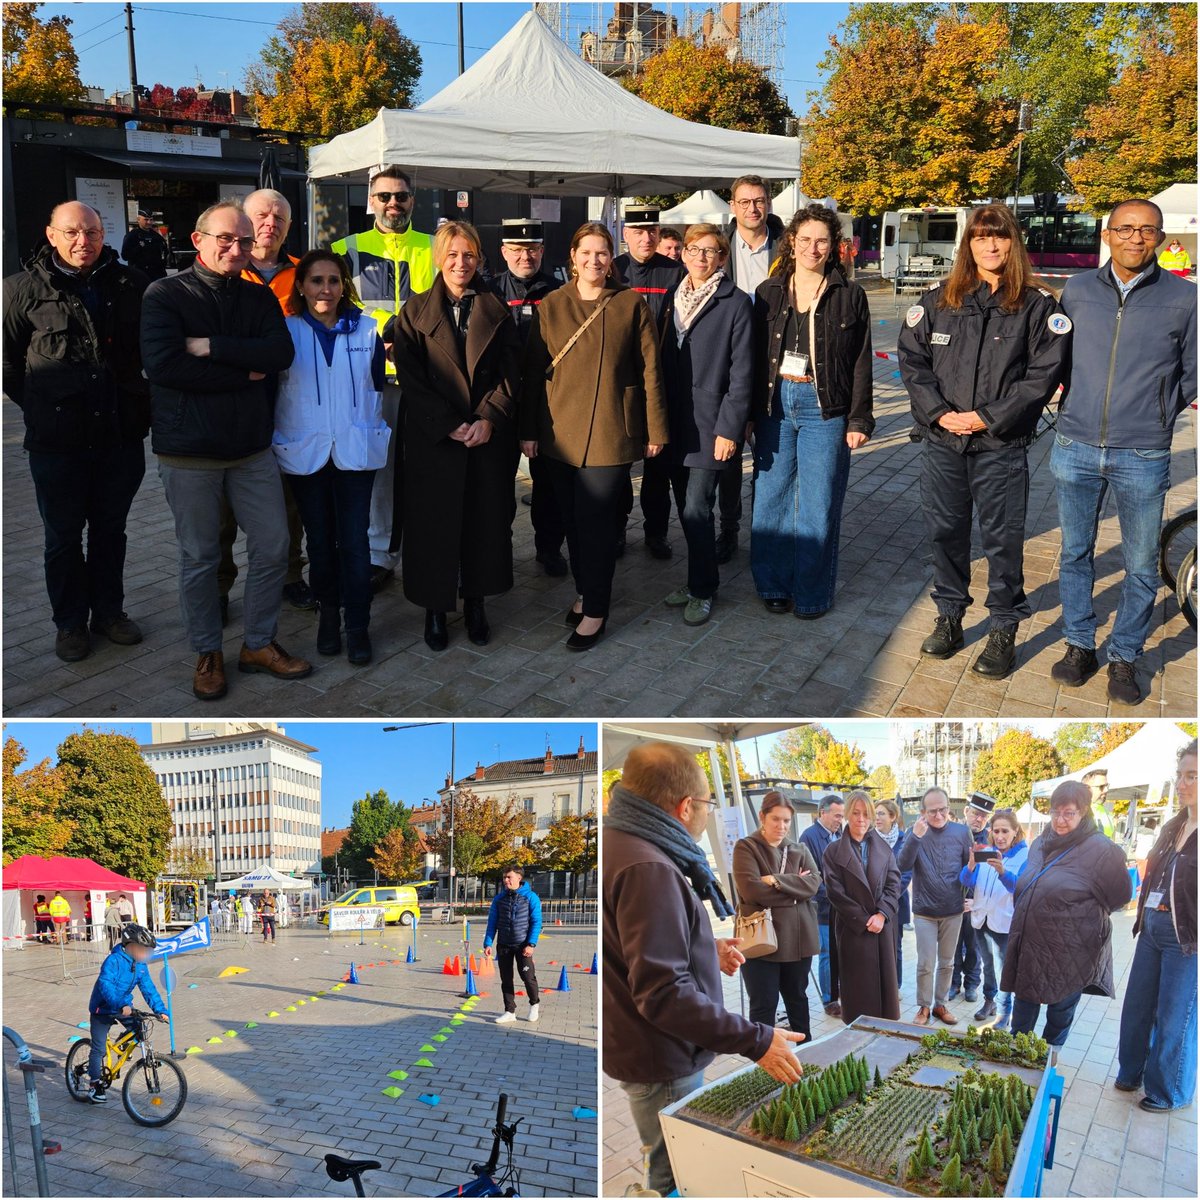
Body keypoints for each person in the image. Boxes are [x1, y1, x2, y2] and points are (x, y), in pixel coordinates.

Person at [603, 742, 805, 1196]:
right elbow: (662, 994)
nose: (708, 814)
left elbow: (632, 944)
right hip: (662, 1057)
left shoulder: (624, 843)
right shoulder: (648, 866)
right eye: (708, 804)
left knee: (667, 1162)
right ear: (685, 806)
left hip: (647, 1049)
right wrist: (757, 1040)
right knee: (673, 1174)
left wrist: (703, 948)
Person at [141, 200, 310, 702]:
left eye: (244, 241)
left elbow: (280, 354)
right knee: (200, 556)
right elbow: (165, 367)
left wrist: (212, 346)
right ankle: (207, 651)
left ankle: (258, 643)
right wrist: (244, 371)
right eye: (225, 239)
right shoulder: (165, 294)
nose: (236, 248)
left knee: (273, 546)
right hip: (189, 451)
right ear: (198, 240)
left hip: (251, 449)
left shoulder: (257, 297)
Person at [899, 203, 1069, 678]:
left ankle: (1003, 628)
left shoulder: (1036, 305)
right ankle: (950, 616)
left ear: (1013, 243)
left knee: (1003, 540)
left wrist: (986, 418)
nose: (990, 245)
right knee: (946, 533)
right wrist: (940, 414)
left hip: (1000, 444)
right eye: (980, 236)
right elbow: (912, 361)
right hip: (943, 442)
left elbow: (1041, 377)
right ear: (967, 244)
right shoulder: (939, 300)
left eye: (999, 236)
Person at [1051, 198, 1197, 704]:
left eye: (1147, 230)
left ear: (1160, 237)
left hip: (1143, 452)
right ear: (1108, 234)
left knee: (1139, 563)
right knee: (1075, 553)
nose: (1136, 237)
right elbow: (1057, 356)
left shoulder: (1185, 297)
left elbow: (1192, 371)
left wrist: (1158, 412)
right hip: (1075, 444)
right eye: (1126, 228)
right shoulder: (1077, 290)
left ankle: (1125, 655)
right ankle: (1079, 645)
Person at [3, 201, 151, 663]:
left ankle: (109, 612)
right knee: (63, 537)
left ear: (104, 234)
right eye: (72, 232)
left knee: (111, 531)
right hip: (57, 444)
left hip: (119, 437)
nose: (83, 241)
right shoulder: (20, 290)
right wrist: (44, 407)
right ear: (51, 235)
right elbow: (8, 366)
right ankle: (69, 623)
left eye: (92, 232)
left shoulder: (131, 284)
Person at [520, 222, 668, 651]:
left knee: (598, 526)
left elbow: (651, 370)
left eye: (602, 252)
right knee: (571, 522)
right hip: (559, 432)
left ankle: (597, 610)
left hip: (610, 429)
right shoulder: (552, 304)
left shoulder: (630, 303)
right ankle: (586, 593)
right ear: (573, 256)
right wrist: (528, 430)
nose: (594, 260)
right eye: (586, 252)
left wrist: (655, 428)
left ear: (611, 257)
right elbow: (533, 371)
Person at [391, 221, 521, 652]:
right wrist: (446, 421)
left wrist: (489, 417)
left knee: (482, 524)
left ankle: (476, 603)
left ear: (479, 258)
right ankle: (435, 608)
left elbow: (510, 371)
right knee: (434, 525)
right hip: (435, 439)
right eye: (452, 254)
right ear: (438, 259)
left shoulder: (496, 308)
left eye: (468, 255)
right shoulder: (414, 311)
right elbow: (411, 378)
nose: (461, 263)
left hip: (484, 438)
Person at [750, 203, 874, 618]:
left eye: (821, 241)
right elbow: (753, 358)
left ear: (833, 245)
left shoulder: (849, 295)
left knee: (818, 503)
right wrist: (748, 414)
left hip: (825, 407)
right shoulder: (767, 292)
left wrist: (859, 418)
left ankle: (812, 593)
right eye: (805, 239)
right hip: (774, 404)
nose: (812, 248)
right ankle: (773, 584)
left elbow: (861, 361)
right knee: (772, 499)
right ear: (792, 242)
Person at [274, 250, 388, 666]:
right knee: (320, 543)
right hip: (306, 454)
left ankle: (357, 624)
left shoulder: (368, 331)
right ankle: (327, 614)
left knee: (355, 543)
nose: (326, 289)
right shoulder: (285, 332)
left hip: (355, 453)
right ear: (301, 287)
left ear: (344, 286)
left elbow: (378, 388)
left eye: (334, 280)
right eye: (317, 280)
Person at [332, 166, 435, 593]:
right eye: (385, 196)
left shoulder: (435, 246)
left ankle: (428, 550)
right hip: (372, 377)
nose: (394, 204)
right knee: (382, 471)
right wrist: (387, 326)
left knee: (428, 469)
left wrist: (406, 331)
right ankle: (380, 554)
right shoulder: (345, 248)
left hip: (428, 377)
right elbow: (337, 304)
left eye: (401, 196)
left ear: (413, 200)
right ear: (371, 201)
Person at [223, 188, 312, 621]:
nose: (269, 224)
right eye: (261, 215)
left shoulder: (304, 273)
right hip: (234, 402)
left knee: (289, 499)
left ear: (289, 227)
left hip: (291, 401)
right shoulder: (226, 269)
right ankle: (218, 586)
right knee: (222, 508)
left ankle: (291, 575)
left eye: (279, 218)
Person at [659, 224, 753, 627]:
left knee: (698, 507)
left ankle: (703, 588)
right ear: (683, 254)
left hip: (711, 426)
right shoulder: (671, 297)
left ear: (722, 258)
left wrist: (729, 430)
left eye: (710, 251)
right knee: (686, 508)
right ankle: (697, 578)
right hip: (675, 423)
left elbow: (743, 372)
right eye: (693, 249)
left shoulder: (736, 302)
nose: (700, 257)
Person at [1003, 781, 1132, 1054]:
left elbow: (1120, 896)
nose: (1060, 820)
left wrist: (1075, 915)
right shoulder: (1041, 842)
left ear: (1083, 812)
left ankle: (1050, 1060)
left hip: (1071, 948)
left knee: (1059, 1011)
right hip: (1031, 946)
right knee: (1023, 1011)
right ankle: (1015, 1059)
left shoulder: (1101, 849)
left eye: (1069, 813)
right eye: (1055, 812)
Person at [1117, 739, 1197, 1112]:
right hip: (1150, 927)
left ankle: (1169, 1091)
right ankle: (1131, 1072)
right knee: (1137, 1007)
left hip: (1186, 939)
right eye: (1180, 775)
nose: (1181, 783)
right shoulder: (1173, 825)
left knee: (1174, 1016)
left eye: (1192, 776)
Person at [491, 218, 567, 577]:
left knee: (548, 484)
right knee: (498, 483)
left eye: (533, 249)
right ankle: (499, 549)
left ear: (542, 251)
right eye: (518, 250)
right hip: (503, 400)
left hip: (545, 402)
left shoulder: (558, 291)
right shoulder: (490, 291)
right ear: (504, 252)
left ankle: (549, 549)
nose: (526, 256)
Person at [720, 175, 786, 565]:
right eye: (744, 202)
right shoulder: (719, 247)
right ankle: (729, 530)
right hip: (730, 366)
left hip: (774, 365)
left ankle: (767, 532)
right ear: (733, 206)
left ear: (768, 204)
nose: (752, 208)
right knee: (729, 457)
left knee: (771, 456)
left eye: (758, 201)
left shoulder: (787, 247)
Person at [612, 206, 685, 561]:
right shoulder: (614, 270)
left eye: (652, 231)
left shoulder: (675, 271)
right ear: (625, 234)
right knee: (620, 465)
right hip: (623, 384)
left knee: (659, 467)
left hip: (662, 383)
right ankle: (617, 531)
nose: (646, 237)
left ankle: (656, 532)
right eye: (638, 231)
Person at [731, 792, 820, 1040]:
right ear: (762, 817)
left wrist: (775, 881)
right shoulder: (746, 848)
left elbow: (814, 883)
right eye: (775, 819)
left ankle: (806, 1054)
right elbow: (751, 891)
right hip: (759, 942)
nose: (781, 826)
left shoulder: (798, 849)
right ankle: (763, 1059)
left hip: (797, 940)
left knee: (798, 1000)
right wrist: (795, 892)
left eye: (786, 820)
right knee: (763, 1005)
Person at [822, 790, 903, 1023]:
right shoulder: (833, 851)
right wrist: (864, 919)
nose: (861, 819)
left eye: (866, 814)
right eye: (855, 813)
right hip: (853, 930)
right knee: (858, 993)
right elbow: (835, 893)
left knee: (884, 998)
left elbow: (894, 884)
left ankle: (885, 1032)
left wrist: (882, 914)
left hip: (881, 929)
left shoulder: (884, 849)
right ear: (847, 814)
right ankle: (859, 1033)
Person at [896, 787, 973, 1025]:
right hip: (925, 912)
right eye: (932, 811)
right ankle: (923, 1007)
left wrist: (970, 897)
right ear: (923, 812)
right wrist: (915, 837)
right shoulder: (914, 831)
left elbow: (968, 867)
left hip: (953, 910)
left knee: (948, 962)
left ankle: (940, 1004)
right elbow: (902, 865)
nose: (938, 815)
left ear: (949, 808)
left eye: (943, 810)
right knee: (925, 964)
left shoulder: (962, 832)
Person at [959, 807, 1028, 1029]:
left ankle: (1005, 1011)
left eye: (1005, 831)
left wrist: (1002, 873)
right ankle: (989, 1001)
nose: (1000, 836)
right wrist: (970, 866)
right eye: (996, 831)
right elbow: (966, 881)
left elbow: (1020, 888)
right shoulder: (986, 851)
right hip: (982, 919)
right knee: (988, 966)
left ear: (1015, 831)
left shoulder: (1024, 856)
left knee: (1004, 970)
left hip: (1004, 922)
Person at [85, 923, 168, 1104]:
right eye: (143, 950)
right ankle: (94, 1085)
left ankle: (122, 1043)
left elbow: (149, 989)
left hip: (123, 1007)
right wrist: (121, 1004)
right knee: (99, 1049)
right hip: (102, 1009)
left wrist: (160, 1010)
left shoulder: (140, 965)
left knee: (140, 1027)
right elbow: (106, 985)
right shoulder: (113, 961)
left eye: (148, 951)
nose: (145, 955)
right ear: (130, 946)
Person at [799, 794, 844, 1017]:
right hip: (823, 908)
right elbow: (810, 879)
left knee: (841, 953)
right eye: (837, 816)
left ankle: (840, 991)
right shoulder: (808, 837)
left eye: (842, 816)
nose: (840, 820)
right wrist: (837, 895)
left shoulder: (840, 834)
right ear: (822, 813)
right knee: (827, 953)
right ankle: (829, 1000)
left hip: (842, 908)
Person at [483, 865, 543, 1024]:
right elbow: (492, 923)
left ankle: (534, 1004)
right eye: (504, 877)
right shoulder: (498, 899)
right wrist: (488, 943)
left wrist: (531, 944)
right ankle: (510, 1011)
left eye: (509, 877)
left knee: (528, 978)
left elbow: (536, 922)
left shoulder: (531, 897)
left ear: (519, 878)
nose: (506, 880)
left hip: (523, 945)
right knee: (506, 979)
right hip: (504, 945)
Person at [948, 795, 991, 1003]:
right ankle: (953, 983)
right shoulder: (953, 835)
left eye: (984, 816)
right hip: (954, 902)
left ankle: (972, 985)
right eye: (975, 814)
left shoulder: (990, 842)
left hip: (977, 904)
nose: (978, 819)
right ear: (966, 812)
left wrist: (977, 902)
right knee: (953, 947)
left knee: (975, 949)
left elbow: (991, 878)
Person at [874, 799, 912, 983]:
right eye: (875, 813)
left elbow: (906, 874)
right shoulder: (869, 839)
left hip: (897, 903)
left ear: (893, 817)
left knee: (895, 947)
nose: (877, 817)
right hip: (873, 905)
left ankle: (895, 986)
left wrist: (888, 897)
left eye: (881, 813)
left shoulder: (904, 841)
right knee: (876, 948)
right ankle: (879, 984)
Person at [121, 209, 169, 281]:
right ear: (138, 219)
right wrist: (139, 247)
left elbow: (165, 252)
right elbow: (124, 256)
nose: (149, 222)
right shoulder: (132, 235)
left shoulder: (156, 236)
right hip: (139, 275)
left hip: (156, 275)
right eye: (146, 220)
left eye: (151, 220)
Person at [1083, 769, 1117, 838]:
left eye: (1107, 786)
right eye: (1101, 787)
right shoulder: (1076, 812)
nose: (1106, 790)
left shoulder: (1104, 810)